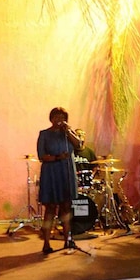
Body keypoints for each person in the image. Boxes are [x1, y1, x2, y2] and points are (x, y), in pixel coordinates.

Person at [37, 107, 82, 255]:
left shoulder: (68, 133)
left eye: (62, 117)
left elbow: (79, 145)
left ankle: (68, 239)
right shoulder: (44, 134)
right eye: (56, 117)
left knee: (66, 206)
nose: (59, 120)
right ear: (51, 119)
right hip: (51, 172)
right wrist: (57, 157)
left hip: (66, 172)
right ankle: (46, 243)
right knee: (50, 207)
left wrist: (69, 131)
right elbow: (42, 156)